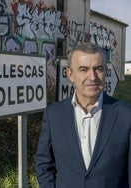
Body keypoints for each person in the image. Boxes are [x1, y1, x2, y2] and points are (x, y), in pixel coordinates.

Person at [36, 43, 131, 188]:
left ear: (106, 72)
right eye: (83, 69)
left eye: (98, 69)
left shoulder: (126, 115)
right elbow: (44, 163)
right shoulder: (53, 115)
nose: (92, 77)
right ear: (70, 74)